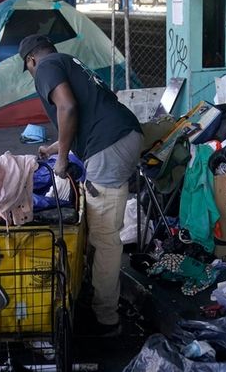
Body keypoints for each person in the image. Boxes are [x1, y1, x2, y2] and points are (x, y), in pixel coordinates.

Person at [19, 34, 142, 336]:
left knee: (104, 236)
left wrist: (62, 159)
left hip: (110, 145)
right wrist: (56, 147)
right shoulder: (68, 61)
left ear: (31, 61)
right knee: (101, 229)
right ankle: (100, 301)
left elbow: (68, 107)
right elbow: (87, 113)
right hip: (121, 135)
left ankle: (106, 318)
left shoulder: (46, 68)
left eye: (29, 68)